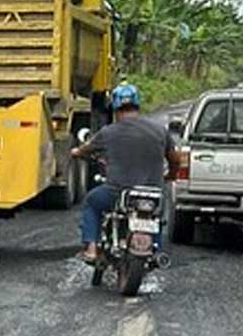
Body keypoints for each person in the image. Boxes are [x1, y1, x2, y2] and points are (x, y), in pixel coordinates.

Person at [71, 82, 181, 262]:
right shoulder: (160, 131)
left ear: (115, 106)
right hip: (152, 193)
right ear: (137, 104)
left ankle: (91, 249)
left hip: (118, 192)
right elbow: (175, 160)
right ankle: (156, 250)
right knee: (155, 216)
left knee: (92, 202)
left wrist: (76, 152)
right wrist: (171, 175)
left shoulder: (108, 132)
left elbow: (85, 149)